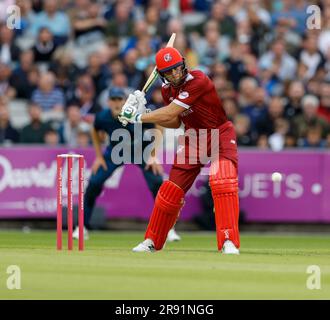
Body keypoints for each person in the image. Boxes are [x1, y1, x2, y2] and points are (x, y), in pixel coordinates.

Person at [119, 47, 240, 254]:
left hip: (219, 133)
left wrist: (138, 117)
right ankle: (153, 241)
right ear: (162, 74)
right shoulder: (167, 91)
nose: (175, 74)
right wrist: (144, 111)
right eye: (170, 71)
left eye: (177, 68)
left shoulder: (199, 80)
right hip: (193, 137)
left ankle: (228, 240)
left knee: (222, 180)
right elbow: (174, 121)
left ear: (183, 64)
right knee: (170, 192)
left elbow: (172, 110)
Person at [72, 87, 181, 242]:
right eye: (113, 100)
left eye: (119, 100)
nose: (117, 103)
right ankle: (82, 227)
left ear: (125, 101)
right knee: (94, 183)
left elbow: (160, 126)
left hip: (141, 151)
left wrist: (153, 155)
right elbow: (95, 131)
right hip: (116, 151)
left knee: (158, 184)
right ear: (108, 102)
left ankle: (168, 229)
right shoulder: (102, 117)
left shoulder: (137, 113)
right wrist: (98, 156)